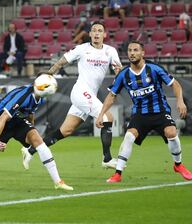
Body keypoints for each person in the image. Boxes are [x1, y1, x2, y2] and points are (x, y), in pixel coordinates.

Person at [21, 22, 122, 171]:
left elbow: (118, 70)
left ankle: (29, 151)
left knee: (65, 131)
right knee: (108, 118)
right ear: (90, 34)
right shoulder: (82, 49)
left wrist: (119, 80)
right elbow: (62, 61)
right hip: (80, 92)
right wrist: (49, 75)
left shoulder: (110, 51)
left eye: (99, 31)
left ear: (104, 35)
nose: (96, 33)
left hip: (89, 96)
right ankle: (106, 159)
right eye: (93, 30)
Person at [95, 40, 192, 183]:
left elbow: (175, 84)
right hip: (140, 113)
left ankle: (178, 165)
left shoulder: (154, 69)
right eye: (129, 50)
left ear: (142, 53)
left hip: (160, 111)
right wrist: (101, 114)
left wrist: (180, 101)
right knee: (129, 136)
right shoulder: (123, 74)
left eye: (135, 50)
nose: (132, 53)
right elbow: (111, 96)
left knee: (171, 132)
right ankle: (118, 174)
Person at [0, 74, 73, 191]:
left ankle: (58, 182)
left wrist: (31, 131)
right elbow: (3, 118)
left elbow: (30, 113)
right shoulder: (23, 97)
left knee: (37, 139)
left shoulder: (39, 96)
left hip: (17, 121)